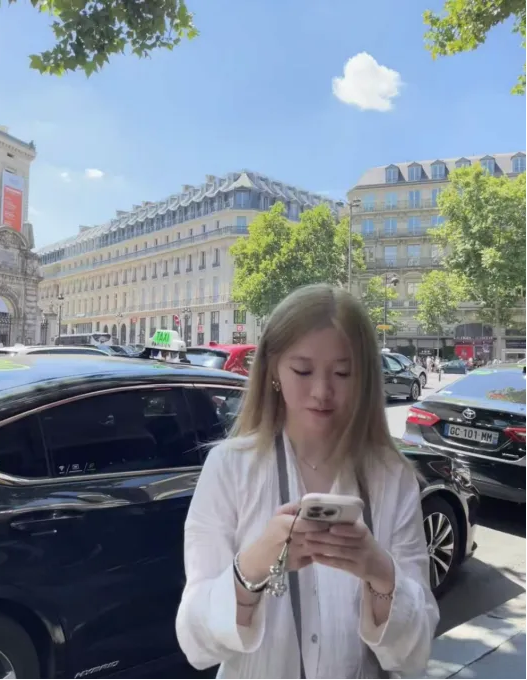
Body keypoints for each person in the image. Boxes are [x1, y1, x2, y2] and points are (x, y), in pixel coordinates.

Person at [176, 284, 439, 680]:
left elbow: (414, 653)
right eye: (302, 370)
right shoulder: (229, 467)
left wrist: (379, 571)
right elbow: (196, 642)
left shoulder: (392, 477)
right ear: (274, 370)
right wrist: (255, 563)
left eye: (343, 373)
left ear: (364, 377)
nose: (322, 392)